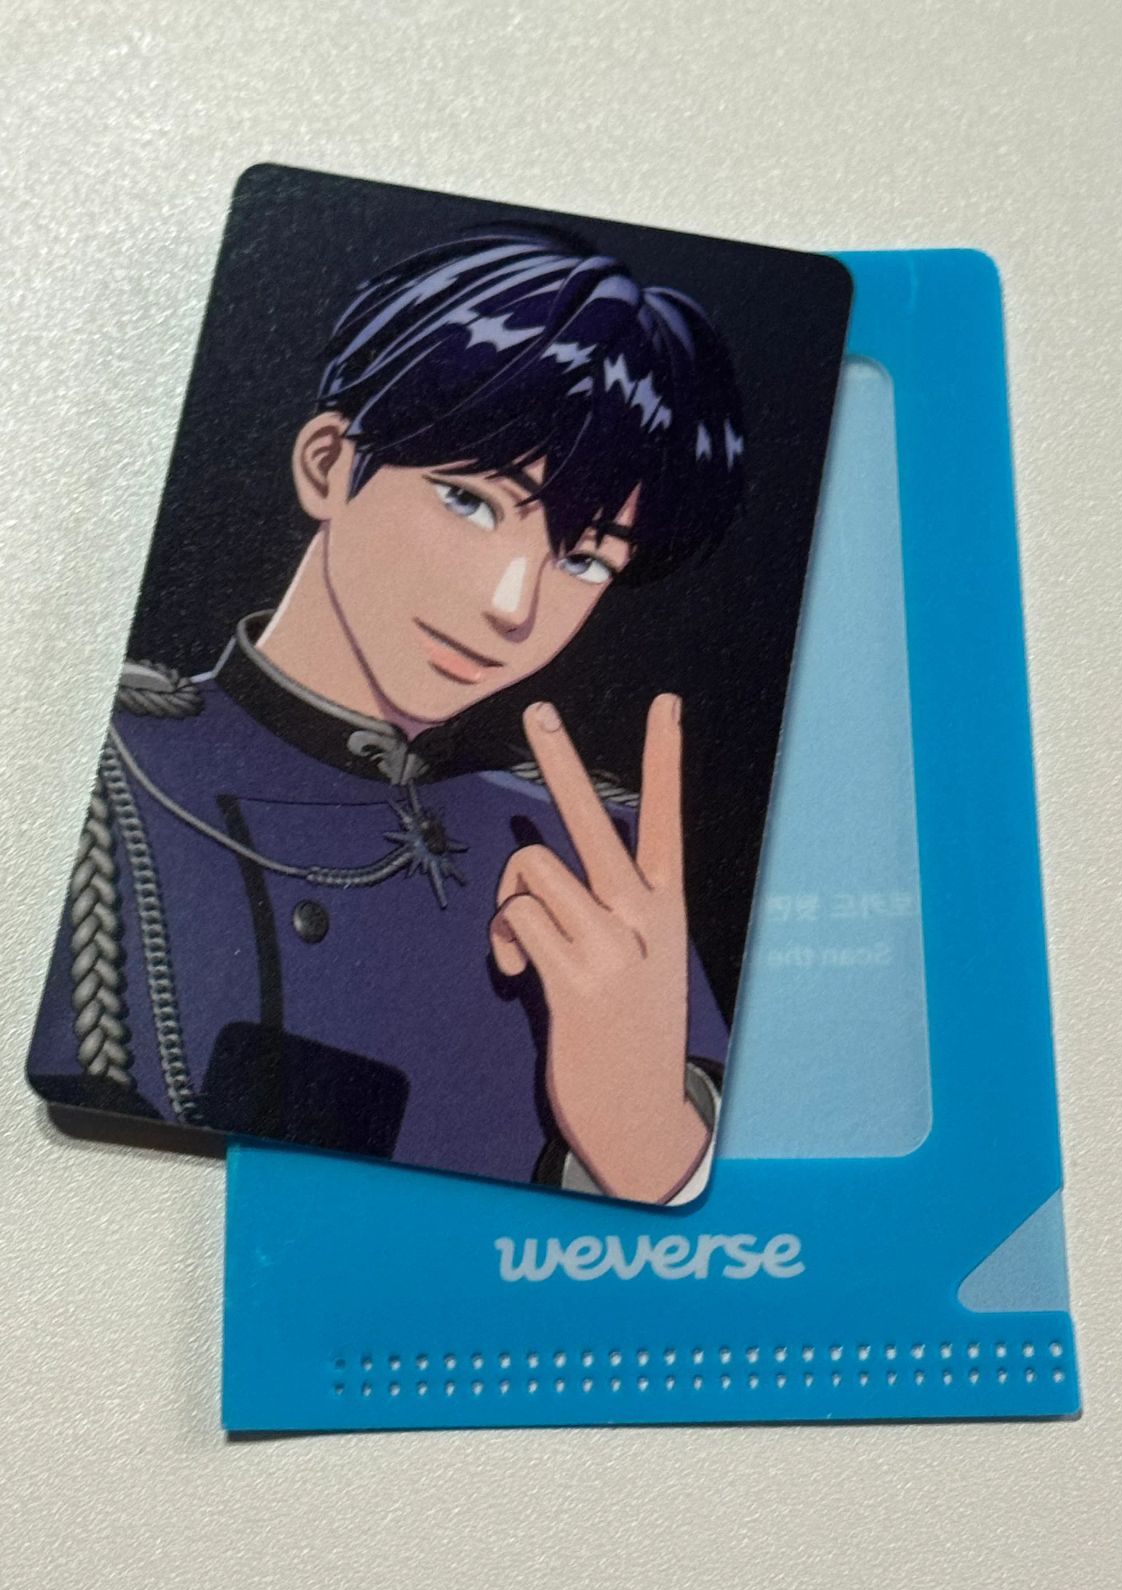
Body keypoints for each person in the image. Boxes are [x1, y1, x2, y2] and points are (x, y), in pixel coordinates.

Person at [26, 230, 746, 1204]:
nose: (511, 604)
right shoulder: (116, 771)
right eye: (470, 501)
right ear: (329, 463)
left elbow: (758, 1242)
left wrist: (647, 1136)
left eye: (583, 559)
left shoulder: (600, 858)